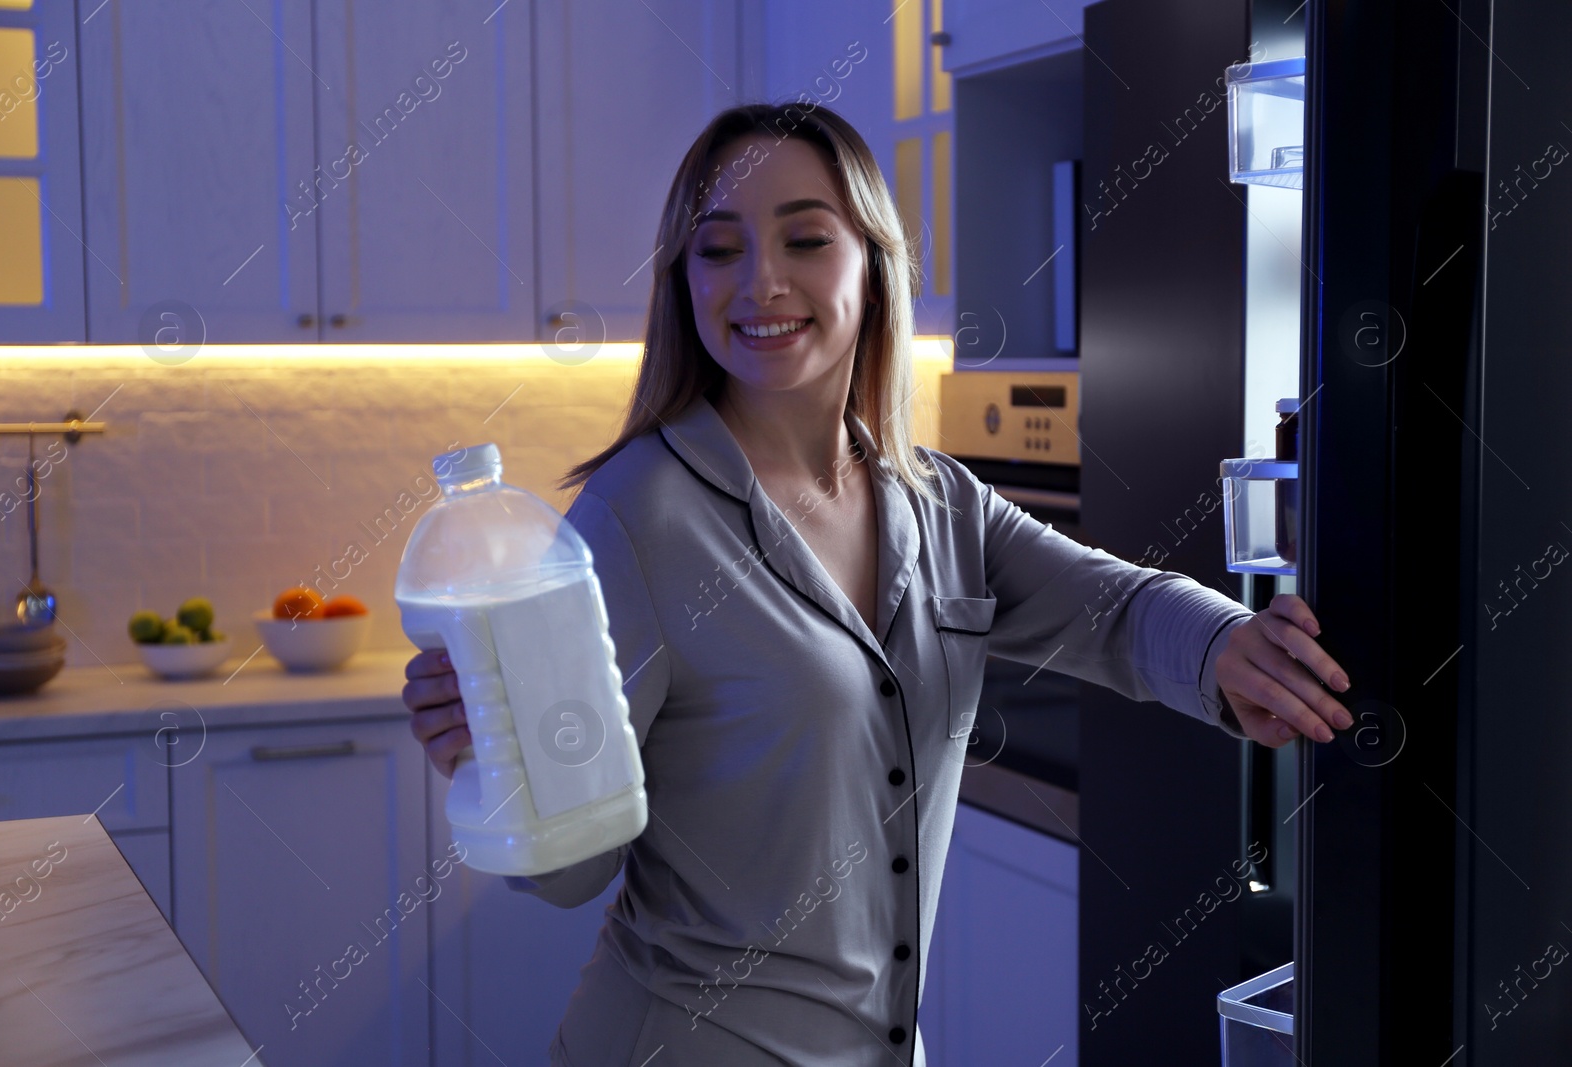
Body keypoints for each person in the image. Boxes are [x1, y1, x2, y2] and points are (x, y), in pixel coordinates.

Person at [402, 101, 1352, 1066]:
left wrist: (1233, 645)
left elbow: (1111, 608)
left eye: (806, 237)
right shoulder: (634, 519)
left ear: (872, 261)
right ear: (682, 282)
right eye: (717, 249)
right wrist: (507, 762)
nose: (760, 281)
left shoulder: (935, 499)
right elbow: (575, 873)